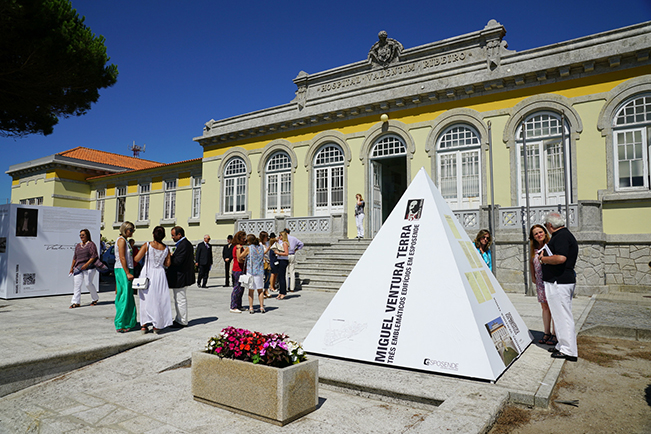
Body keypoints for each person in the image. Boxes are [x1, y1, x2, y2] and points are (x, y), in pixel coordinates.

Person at [540, 212, 579, 362]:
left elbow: (561, 258)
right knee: (559, 315)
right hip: (558, 281)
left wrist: (543, 259)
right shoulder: (563, 235)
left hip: (559, 281)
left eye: (546, 226)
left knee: (563, 315)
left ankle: (569, 350)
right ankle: (562, 345)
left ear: (550, 225)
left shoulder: (562, 236)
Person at [133, 226, 173, 334]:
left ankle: (144, 325)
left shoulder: (147, 245)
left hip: (148, 272)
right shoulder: (166, 248)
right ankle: (157, 325)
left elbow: (136, 259)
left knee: (145, 299)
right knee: (159, 299)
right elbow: (167, 264)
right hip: (160, 274)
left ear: (153, 234)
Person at [529, 224, 556, 346]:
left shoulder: (551, 245)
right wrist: (533, 276)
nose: (539, 235)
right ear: (533, 237)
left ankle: (555, 334)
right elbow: (531, 262)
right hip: (540, 281)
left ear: (545, 233)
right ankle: (546, 332)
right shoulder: (533, 249)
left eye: (540, 232)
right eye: (536, 234)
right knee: (544, 307)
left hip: (551, 280)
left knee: (554, 307)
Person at [167, 226, 195, 328]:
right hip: (180, 276)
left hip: (181, 277)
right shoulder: (182, 244)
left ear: (179, 235)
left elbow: (178, 261)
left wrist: (169, 257)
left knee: (180, 299)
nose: (172, 237)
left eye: (173, 235)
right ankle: (178, 318)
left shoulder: (184, 245)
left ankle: (182, 320)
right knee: (177, 298)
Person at [114, 222, 138, 333]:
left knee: (128, 296)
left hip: (126, 268)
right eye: (130, 230)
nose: (132, 232)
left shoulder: (125, 240)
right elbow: (122, 257)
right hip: (123, 269)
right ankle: (120, 323)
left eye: (133, 230)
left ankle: (128, 321)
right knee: (124, 296)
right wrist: (127, 272)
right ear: (125, 229)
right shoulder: (121, 240)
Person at [69, 229, 100, 308]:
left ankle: (95, 298)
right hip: (78, 268)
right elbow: (75, 257)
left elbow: (94, 256)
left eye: (83, 235)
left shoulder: (91, 244)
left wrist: (86, 265)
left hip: (89, 267)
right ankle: (76, 302)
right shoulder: (78, 246)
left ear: (87, 235)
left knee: (88, 283)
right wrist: (72, 268)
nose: (81, 237)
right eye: (80, 235)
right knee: (77, 285)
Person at [238, 234, 266, 314]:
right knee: (260, 290)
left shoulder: (249, 248)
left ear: (249, 241)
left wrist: (239, 249)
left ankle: (251, 307)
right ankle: (261, 307)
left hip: (251, 271)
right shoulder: (261, 247)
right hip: (260, 271)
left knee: (251, 290)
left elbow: (240, 256)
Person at [229, 231, 247, 313]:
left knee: (241, 288)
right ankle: (233, 306)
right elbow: (239, 259)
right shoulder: (238, 247)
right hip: (237, 269)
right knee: (237, 287)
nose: (245, 240)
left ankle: (239, 305)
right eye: (243, 239)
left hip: (241, 269)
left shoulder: (240, 247)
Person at [284, 228, 304, 292]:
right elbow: (301, 244)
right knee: (292, 272)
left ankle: (286, 287)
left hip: (285, 255)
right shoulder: (294, 238)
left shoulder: (284, 239)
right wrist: (296, 249)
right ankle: (292, 288)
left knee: (286, 272)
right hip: (292, 254)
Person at [274, 231, 290, 299]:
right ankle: (280, 292)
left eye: (280, 235)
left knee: (282, 277)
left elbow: (286, 253)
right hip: (280, 260)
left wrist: (278, 253)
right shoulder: (280, 243)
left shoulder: (285, 243)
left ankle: (283, 292)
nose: (279, 236)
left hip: (283, 260)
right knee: (280, 277)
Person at [259, 231, 272, 298]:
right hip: (263, 262)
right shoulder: (260, 244)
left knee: (268, 276)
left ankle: (266, 290)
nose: (267, 238)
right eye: (266, 237)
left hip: (268, 261)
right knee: (263, 277)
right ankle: (261, 291)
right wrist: (267, 250)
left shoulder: (266, 243)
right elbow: (260, 254)